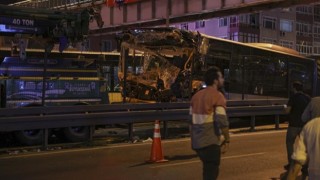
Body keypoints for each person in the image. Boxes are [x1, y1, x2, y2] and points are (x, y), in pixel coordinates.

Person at [189, 67, 230, 180]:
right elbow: (222, 120)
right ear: (216, 81)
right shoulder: (218, 96)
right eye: (221, 77)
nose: (223, 79)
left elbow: (190, 120)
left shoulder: (195, 96)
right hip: (210, 142)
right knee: (211, 172)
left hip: (197, 143)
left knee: (207, 170)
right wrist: (227, 139)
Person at [284, 81, 310, 172]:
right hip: (304, 125)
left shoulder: (293, 98)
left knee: (289, 143)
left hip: (293, 125)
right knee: (305, 145)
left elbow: (287, 111)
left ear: (294, 88)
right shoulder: (307, 98)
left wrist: (285, 109)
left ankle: (291, 163)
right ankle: (306, 165)